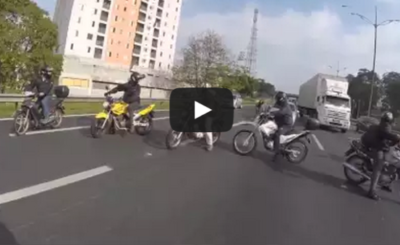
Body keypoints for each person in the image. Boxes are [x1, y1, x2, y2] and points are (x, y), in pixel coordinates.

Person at [360, 111, 400, 200]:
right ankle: (371, 191)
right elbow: (387, 134)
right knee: (378, 167)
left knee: (390, 160)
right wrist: (396, 137)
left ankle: (385, 183)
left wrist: (395, 140)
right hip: (376, 148)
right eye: (387, 120)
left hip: (380, 146)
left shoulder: (385, 126)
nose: (387, 121)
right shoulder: (384, 126)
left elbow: (388, 136)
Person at [268, 91, 293, 162]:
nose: (276, 100)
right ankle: (275, 146)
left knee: (277, 134)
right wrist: (268, 111)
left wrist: (272, 113)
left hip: (286, 125)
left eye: (277, 98)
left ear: (281, 98)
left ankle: (277, 152)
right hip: (280, 123)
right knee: (271, 131)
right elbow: (273, 108)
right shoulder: (279, 103)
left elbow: (281, 113)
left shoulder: (285, 106)